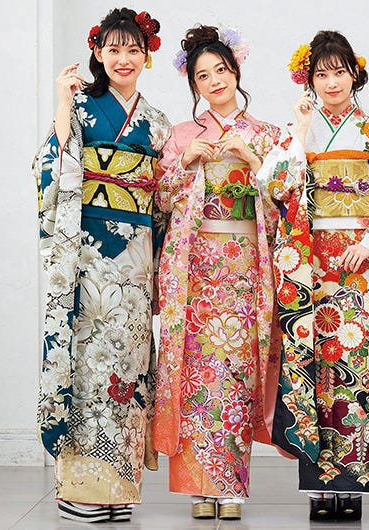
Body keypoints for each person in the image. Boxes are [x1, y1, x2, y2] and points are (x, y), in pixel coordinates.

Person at [261, 30, 369, 521]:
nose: (331, 82)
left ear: (354, 75)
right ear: (309, 80)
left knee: (358, 366)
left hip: (362, 263)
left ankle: (353, 485)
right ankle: (319, 489)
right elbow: (275, 186)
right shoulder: (299, 128)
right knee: (315, 365)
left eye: (339, 72)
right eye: (321, 74)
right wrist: (300, 135)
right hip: (313, 262)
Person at [32, 7, 169, 523]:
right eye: (114, 49)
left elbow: (164, 198)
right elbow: (50, 166)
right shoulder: (82, 107)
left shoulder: (157, 121)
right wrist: (62, 105)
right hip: (88, 250)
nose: (124, 58)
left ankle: (118, 489)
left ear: (147, 56)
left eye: (134, 49)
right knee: (89, 364)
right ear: (97, 53)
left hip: (137, 258)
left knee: (129, 365)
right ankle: (81, 490)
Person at [150, 24, 281, 521]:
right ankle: (198, 488)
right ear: (194, 85)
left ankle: (231, 485)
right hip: (196, 267)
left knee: (237, 371)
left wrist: (255, 161)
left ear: (236, 71)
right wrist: (185, 163)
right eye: (203, 76)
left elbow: (288, 198)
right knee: (195, 369)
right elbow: (160, 199)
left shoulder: (266, 135)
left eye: (221, 70)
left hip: (245, 265)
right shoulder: (182, 136)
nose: (214, 81)